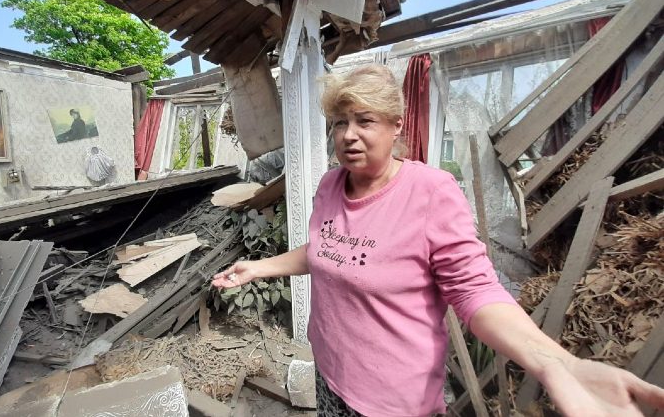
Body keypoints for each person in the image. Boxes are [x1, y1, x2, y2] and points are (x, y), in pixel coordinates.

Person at [212, 65, 664, 416]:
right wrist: (261, 266)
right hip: (331, 375)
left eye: (364, 120)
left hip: (395, 401)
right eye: (338, 122)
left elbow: (474, 290)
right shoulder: (332, 184)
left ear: (394, 125)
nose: (348, 135)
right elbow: (330, 250)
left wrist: (552, 361)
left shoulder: (430, 192)